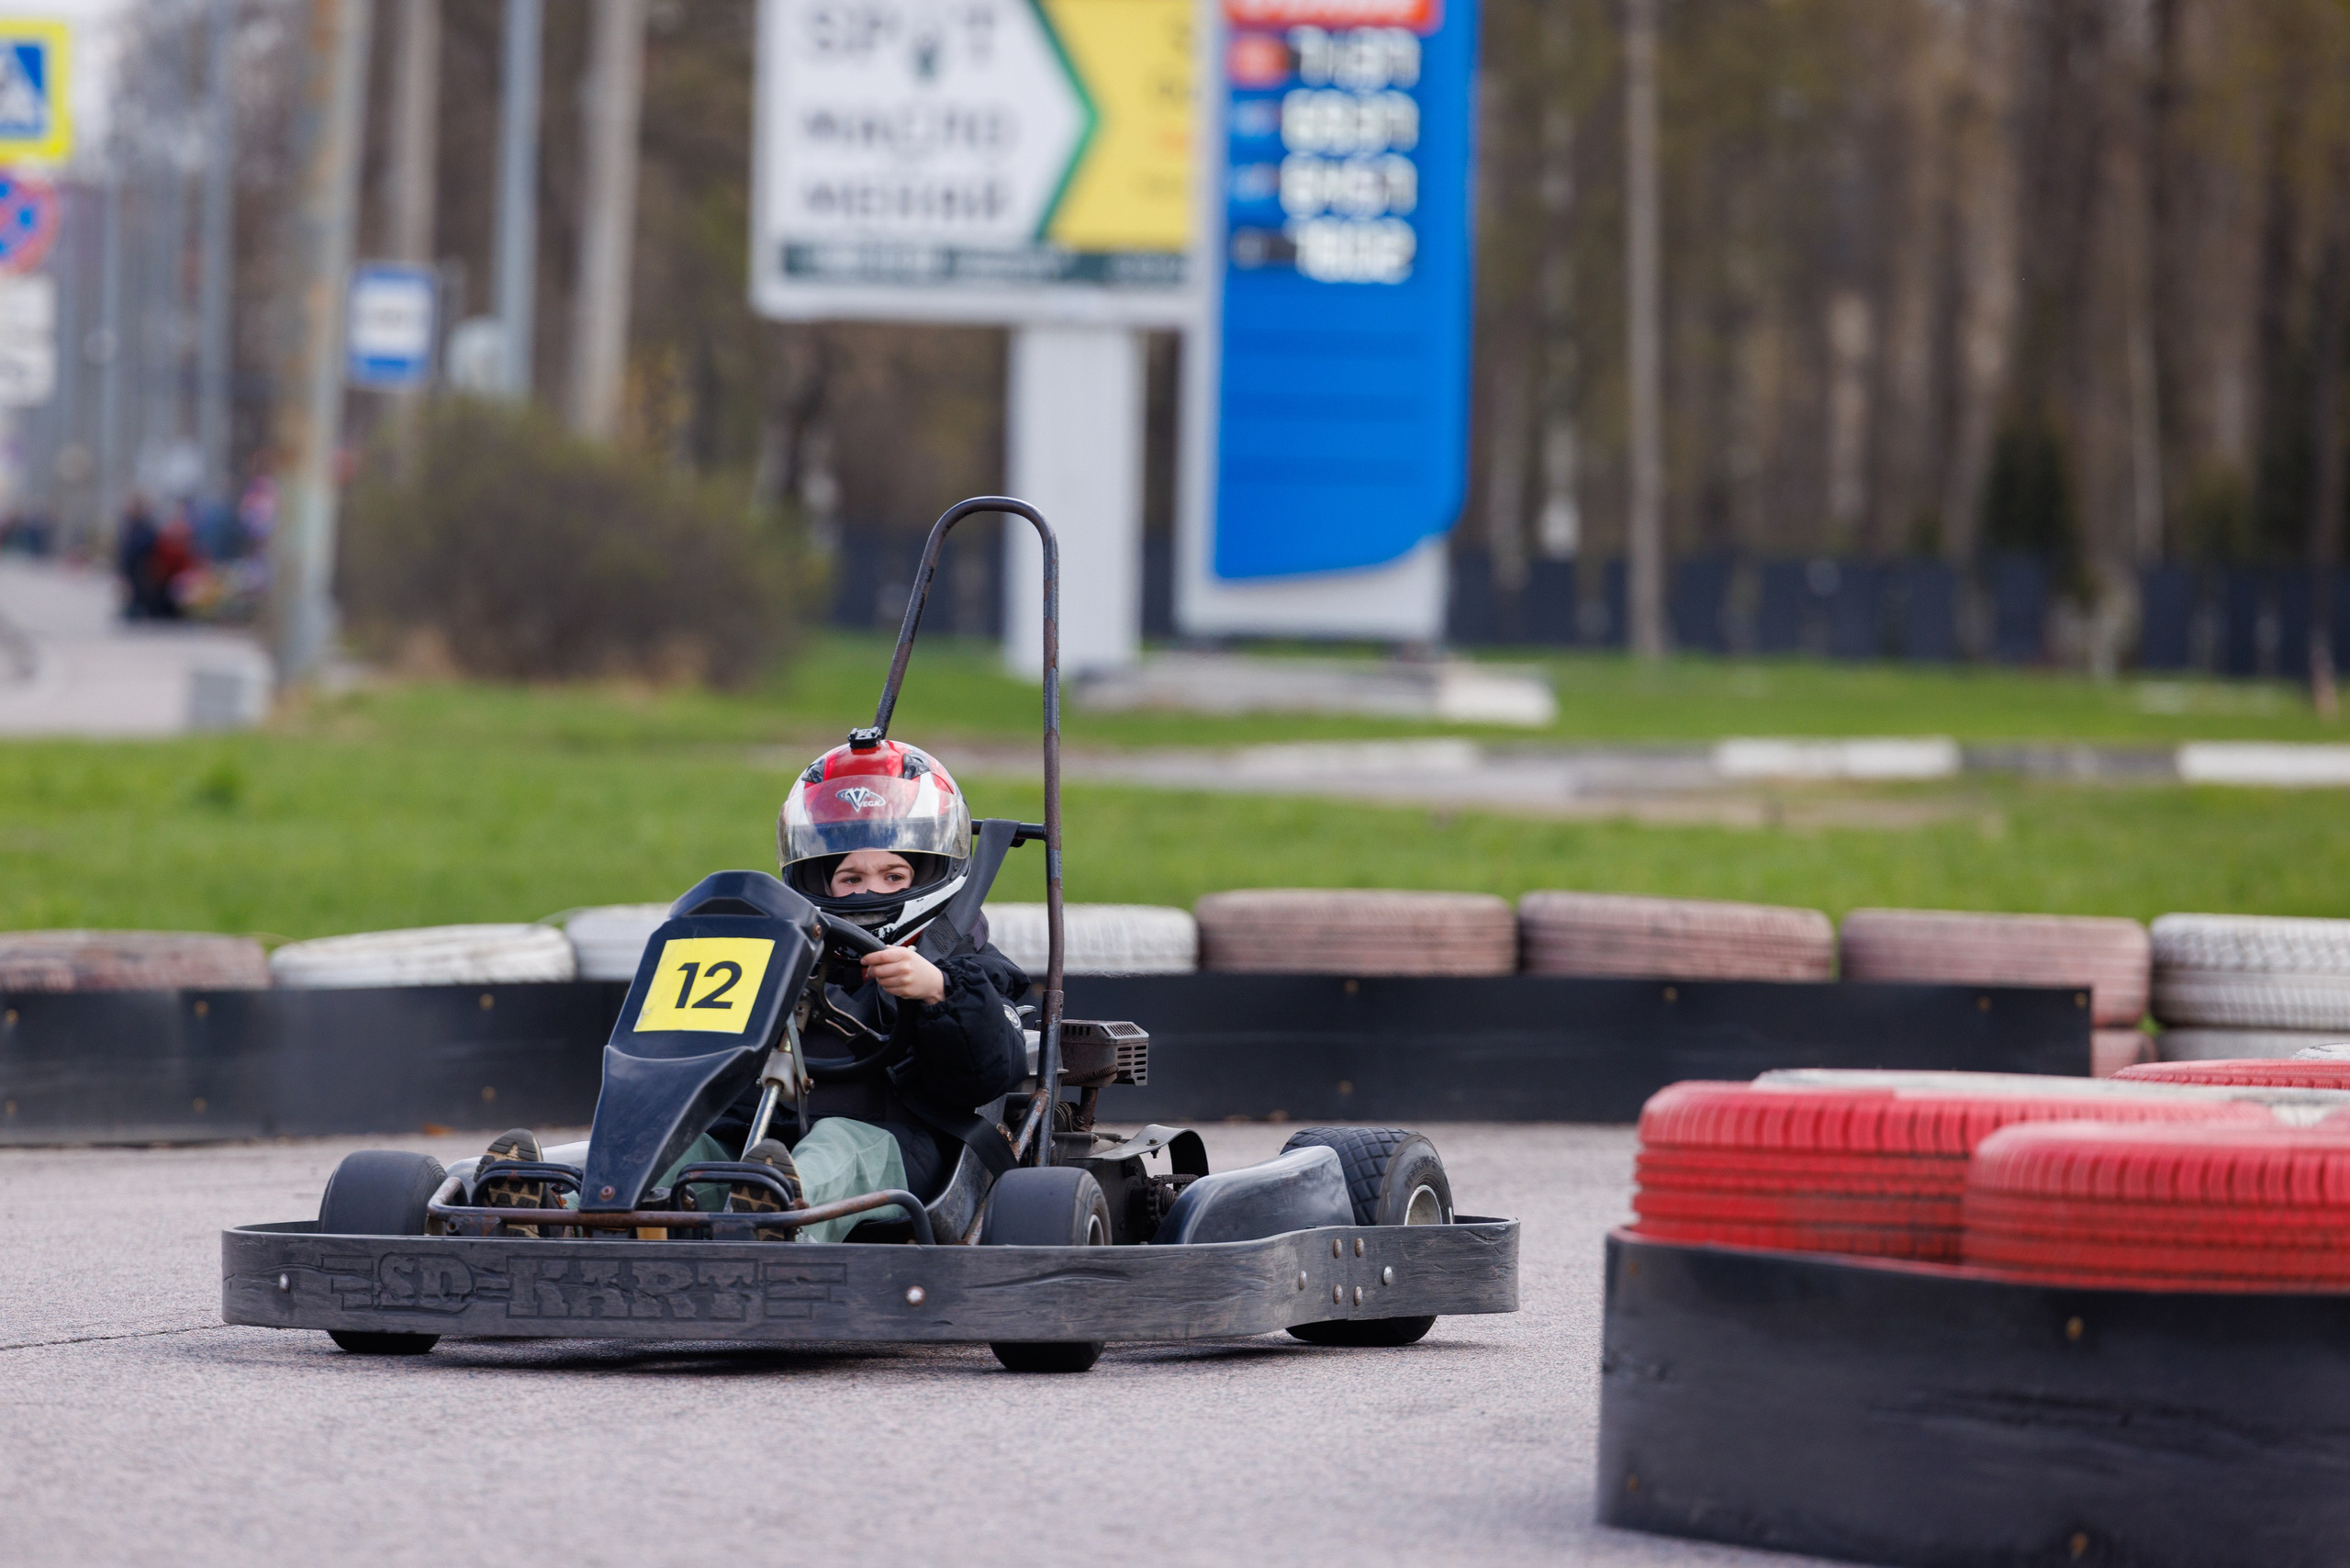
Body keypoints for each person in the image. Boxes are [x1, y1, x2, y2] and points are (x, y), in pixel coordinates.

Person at [480, 737, 1030, 1242]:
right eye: (850, 879)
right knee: (680, 1145)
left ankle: (777, 1220)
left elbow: (989, 1068)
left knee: (838, 1145)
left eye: (893, 876)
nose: (869, 892)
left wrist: (938, 991)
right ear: (815, 879)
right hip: (757, 1142)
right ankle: (561, 1215)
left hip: (897, 1147)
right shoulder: (786, 953)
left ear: (931, 871)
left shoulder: (964, 967)